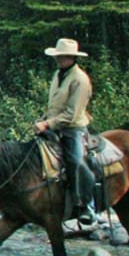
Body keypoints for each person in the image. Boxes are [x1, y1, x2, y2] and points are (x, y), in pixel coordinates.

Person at [33, 37, 101, 226]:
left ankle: (86, 204)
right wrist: (43, 119)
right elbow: (55, 104)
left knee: (76, 161)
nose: (59, 59)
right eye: (58, 56)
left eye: (63, 56)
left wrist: (47, 124)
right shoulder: (58, 74)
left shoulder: (80, 80)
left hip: (73, 129)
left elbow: (72, 114)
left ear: (72, 57)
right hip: (54, 124)